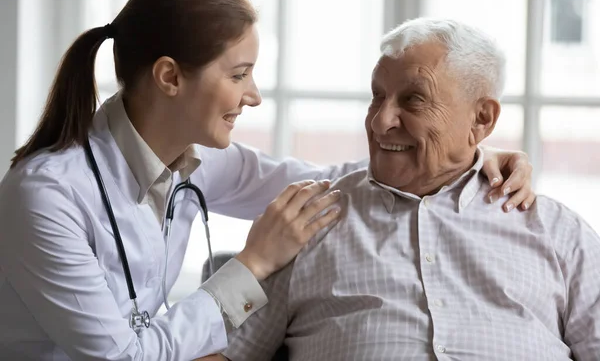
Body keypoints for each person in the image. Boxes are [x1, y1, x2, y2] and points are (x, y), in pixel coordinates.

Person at [0, 0, 535, 361]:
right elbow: (125, 358)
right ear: (169, 77)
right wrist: (254, 264)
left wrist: (470, 155)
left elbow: (335, 179)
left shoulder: (196, 161)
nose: (253, 96)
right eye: (238, 75)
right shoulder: (46, 197)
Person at [209, 18, 600, 361]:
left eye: (414, 99)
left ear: (482, 118)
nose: (380, 122)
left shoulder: (556, 231)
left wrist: (470, 155)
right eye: (377, 96)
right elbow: (217, 351)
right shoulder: (305, 222)